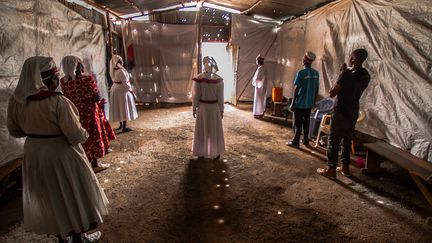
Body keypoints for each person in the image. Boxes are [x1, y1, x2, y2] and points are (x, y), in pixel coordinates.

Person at [7, 56, 108, 242]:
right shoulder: (57, 102)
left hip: (34, 153)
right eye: (54, 77)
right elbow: (76, 135)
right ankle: (78, 237)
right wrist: (84, 133)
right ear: (43, 80)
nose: (57, 81)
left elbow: (15, 130)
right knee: (72, 192)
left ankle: (62, 237)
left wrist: (36, 132)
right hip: (61, 153)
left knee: (50, 196)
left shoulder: (17, 102)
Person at [317, 49, 371, 179]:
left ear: (353, 58)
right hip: (353, 112)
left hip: (341, 111)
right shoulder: (366, 75)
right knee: (347, 140)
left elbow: (333, 93)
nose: (349, 58)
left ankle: (331, 169)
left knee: (333, 141)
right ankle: (345, 168)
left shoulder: (346, 74)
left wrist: (341, 73)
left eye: (350, 56)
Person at [61, 55, 114, 172]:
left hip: (75, 113)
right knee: (93, 136)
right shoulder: (87, 79)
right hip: (90, 113)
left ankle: (84, 164)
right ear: (77, 67)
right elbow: (96, 97)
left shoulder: (63, 82)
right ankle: (95, 163)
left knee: (82, 138)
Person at [192, 56, 226, 160]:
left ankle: (201, 152)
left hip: (203, 108)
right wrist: (221, 109)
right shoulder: (219, 80)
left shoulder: (198, 79)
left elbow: (196, 95)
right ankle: (215, 152)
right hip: (214, 108)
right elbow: (221, 97)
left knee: (202, 129)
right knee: (214, 129)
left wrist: (194, 108)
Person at [287, 51, 320, 148]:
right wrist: (313, 101)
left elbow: (296, 88)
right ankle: (306, 141)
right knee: (306, 122)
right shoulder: (316, 73)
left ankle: (295, 142)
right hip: (309, 103)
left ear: (304, 60)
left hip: (300, 103)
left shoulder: (301, 73)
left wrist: (293, 103)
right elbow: (316, 89)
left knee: (298, 123)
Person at [109, 54, 138, 132]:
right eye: (120, 61)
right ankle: (124, 127)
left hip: (115, 88)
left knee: (119, 106)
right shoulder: (121, 71)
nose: (122, 62)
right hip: (121, 90)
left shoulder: (113, 70)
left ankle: (121, 124)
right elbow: (125, 83)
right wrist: (130, 90)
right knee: (123, 106)